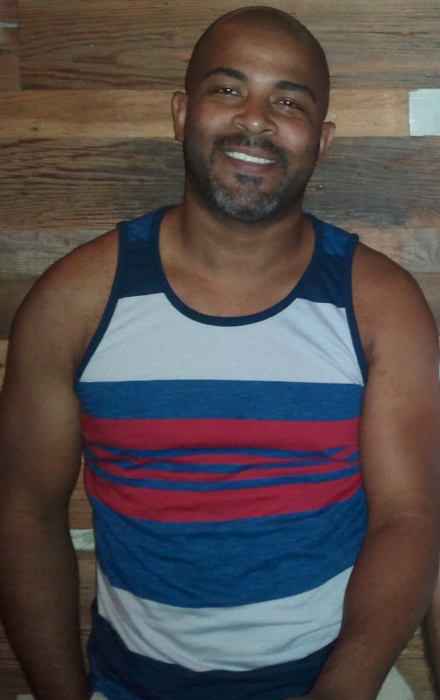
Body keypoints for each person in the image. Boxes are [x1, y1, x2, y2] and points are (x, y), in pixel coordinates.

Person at [0, 6, 439, 700]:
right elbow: (24, 514)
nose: (255, 119)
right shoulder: (74, 302)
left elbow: (408, 517)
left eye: (288, 101)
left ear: (322, 141)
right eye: (228, 89)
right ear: (183, 114)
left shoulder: (382, 306)